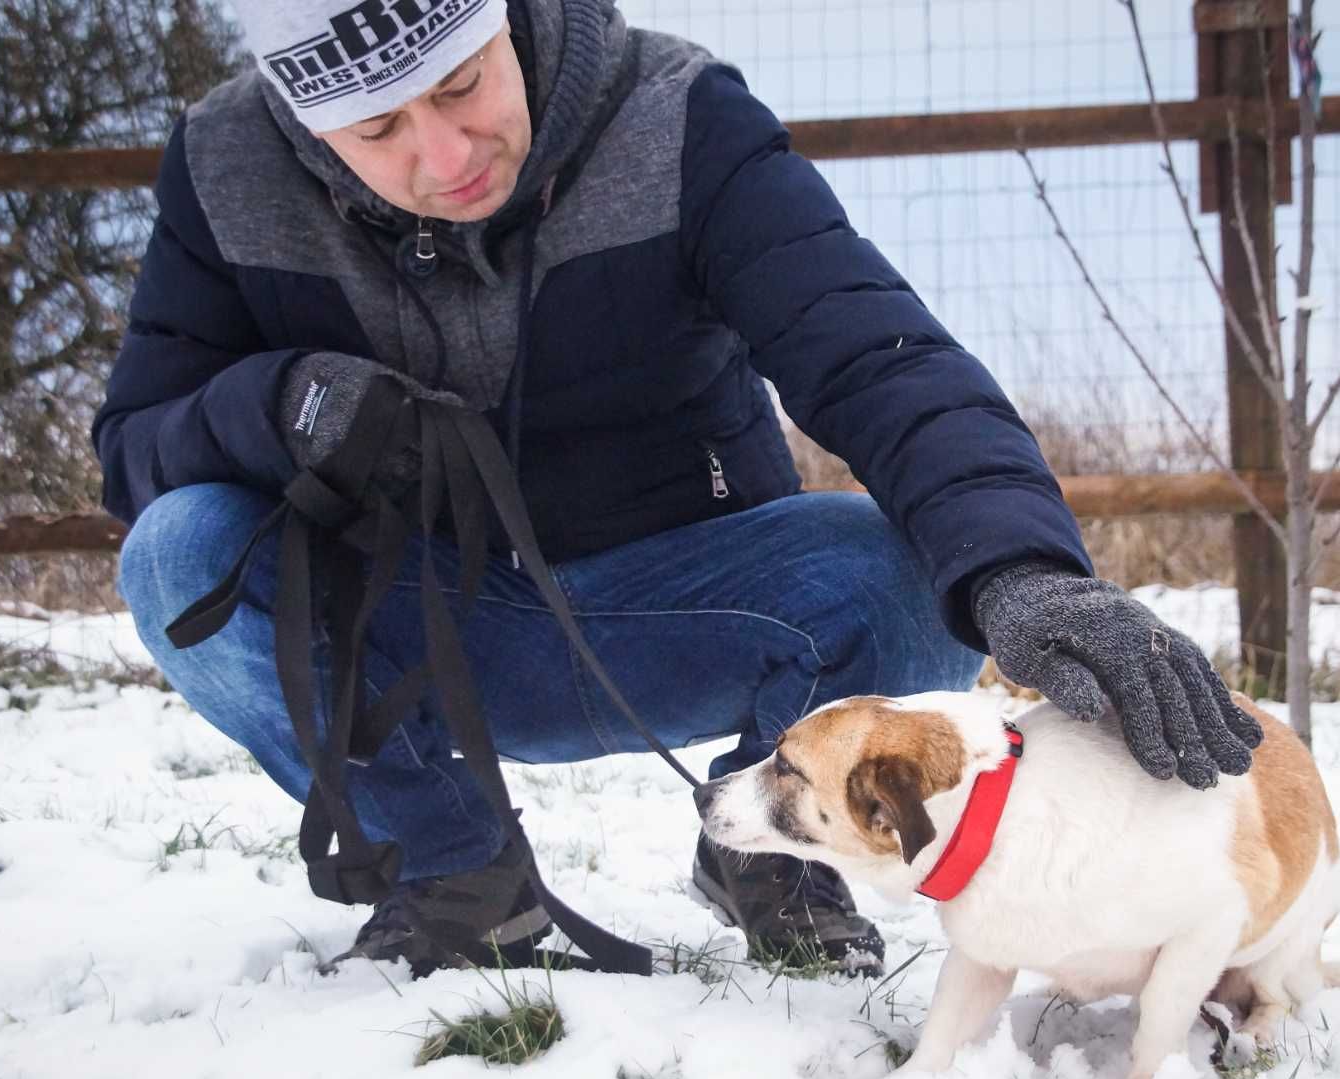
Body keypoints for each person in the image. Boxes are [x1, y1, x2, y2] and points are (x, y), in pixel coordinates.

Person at [95, 0, 1262, 980]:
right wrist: (282, 401)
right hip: (411, 632)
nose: (445, 156)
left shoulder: (678, 115)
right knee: (175, 549)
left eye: (461, 84)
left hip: (677, 609)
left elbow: (865, 350)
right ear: (302, 122)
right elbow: (135, 443)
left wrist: (1025, 574)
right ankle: (452, 879)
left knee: (904, 562)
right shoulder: (224, 169)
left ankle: (773, 849)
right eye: (379, 126)